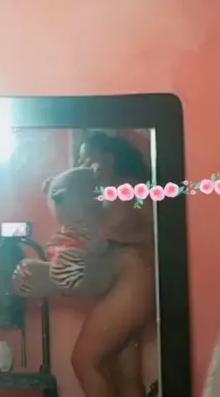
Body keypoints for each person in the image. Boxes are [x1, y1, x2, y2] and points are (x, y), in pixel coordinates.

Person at [72, 131, 158, 397]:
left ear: (110, 157)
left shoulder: (127, 187)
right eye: (80, 160)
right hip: (129, 281)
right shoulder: (112, 192)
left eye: (88, 157)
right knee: (125, 372)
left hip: (135, 279)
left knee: (85, 360)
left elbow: (151, 228)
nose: (84, 165)